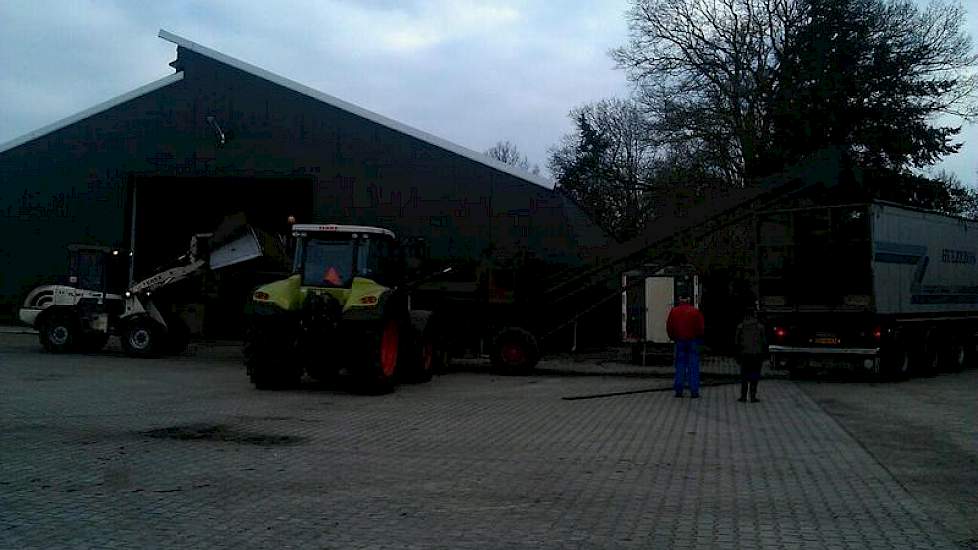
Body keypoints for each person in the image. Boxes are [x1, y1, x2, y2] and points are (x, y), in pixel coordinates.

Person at [666, 296, 705, 398]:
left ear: (679, 299)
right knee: (693, 366)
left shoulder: (674, 311)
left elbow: (669, 327)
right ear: (689, 299)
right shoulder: (695, 312)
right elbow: (701, 328)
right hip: (693, 341)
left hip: (680, 341)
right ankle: (694, 391)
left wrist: (673, 337)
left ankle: (679, 390)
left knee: (680, 366)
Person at [734, 307, 768, 403]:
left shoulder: (740, 326)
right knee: (755, 375)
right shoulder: (760, 327)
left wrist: (737, 354)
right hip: (757, 355)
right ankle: (753, 396)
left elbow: (736, 342)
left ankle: (743, 396)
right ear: (754, 315)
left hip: (745, 354)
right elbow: (764, 341)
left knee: (744, 376)